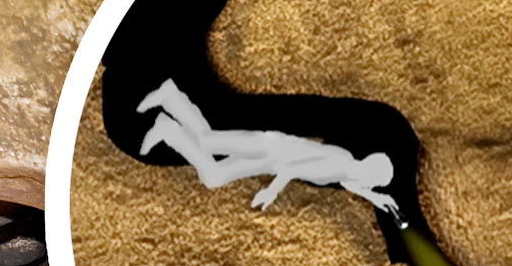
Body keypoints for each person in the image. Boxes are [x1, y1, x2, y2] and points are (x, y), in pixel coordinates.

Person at [136, 79, 402, 220]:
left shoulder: (347, 167)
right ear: (369, 169)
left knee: (213, 174)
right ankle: (170, 97)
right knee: (208, 141)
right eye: (376, 182)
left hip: (268, 159)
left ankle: (168, 128)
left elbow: (352, 184)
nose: (373, 186)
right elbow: (293, 168)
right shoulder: (339, 164)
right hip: (268, 147)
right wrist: (270, 192)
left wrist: (378, 199)